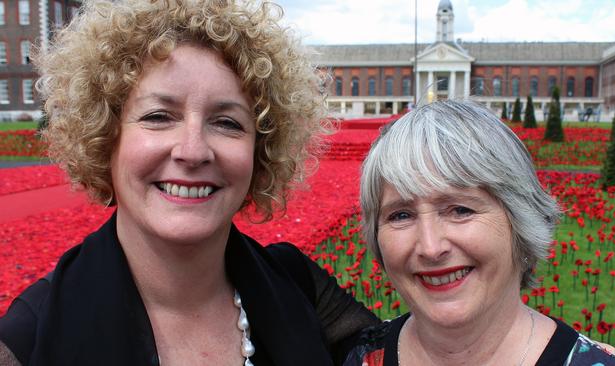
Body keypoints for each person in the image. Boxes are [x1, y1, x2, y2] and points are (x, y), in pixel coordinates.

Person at [0, 1, 378, 365]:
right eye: (159, 116)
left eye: (227, 122)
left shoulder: (301, 288)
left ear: (260, 151)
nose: (193, 150)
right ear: (105, 137)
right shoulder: (26, 342)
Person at [346, 101, 615, 366]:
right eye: (401, 215)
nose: (431, 248)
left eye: (460, 210)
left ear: (520, 220)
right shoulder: (363, 357)